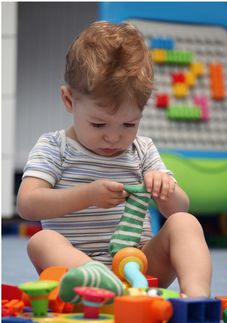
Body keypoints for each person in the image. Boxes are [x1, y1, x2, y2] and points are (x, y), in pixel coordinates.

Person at [18, 21, 210, 301]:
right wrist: (87, 195)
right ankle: (104, 284)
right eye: (98, 125)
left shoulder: (142, 149)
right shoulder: (54, 147)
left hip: (140, 264)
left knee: (186, 223)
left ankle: (195, 298)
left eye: (129, 124)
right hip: (77, 267)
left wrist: (164, 188)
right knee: (41, 242)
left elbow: (178, 208)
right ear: (69, 100)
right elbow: (27, 203)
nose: (114, 137)